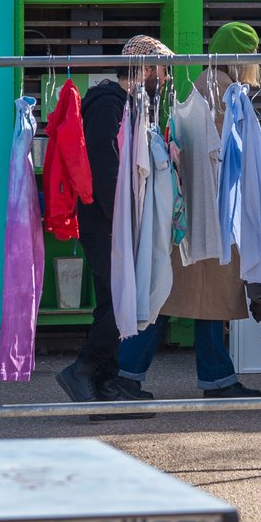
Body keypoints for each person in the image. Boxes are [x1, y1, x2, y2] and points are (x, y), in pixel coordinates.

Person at [114, 21, 261, 399]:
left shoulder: (205, 85)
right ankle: (142, 374)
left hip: (190, 212)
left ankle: (133, 372)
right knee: (197, 300)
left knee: (170, 296)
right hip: (211, 214)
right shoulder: (224, 92)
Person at [55, 34, 171, 411]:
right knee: (125, 299)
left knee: (111, 300)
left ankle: (104, 380)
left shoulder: (130, 104)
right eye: (163, 71)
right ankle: (84, 370)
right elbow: (105, 170)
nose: (166, 79)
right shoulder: (109, 105)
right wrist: (122, 220)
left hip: (114, 220)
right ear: (146, 69)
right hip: (107, 221)